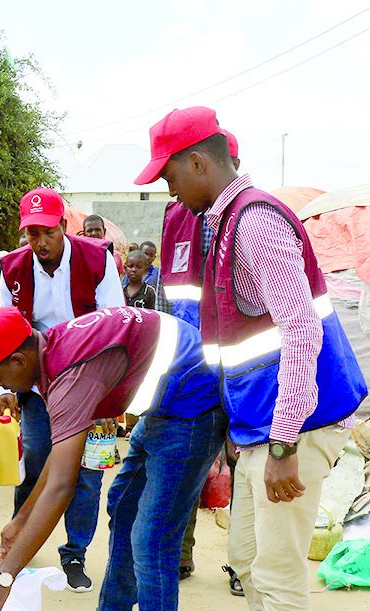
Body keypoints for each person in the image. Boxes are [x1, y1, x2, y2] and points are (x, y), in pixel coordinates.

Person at [135, 105, 367, 611]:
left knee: (279, 568)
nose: (166, 188)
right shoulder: (222, 222)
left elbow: (298, 333)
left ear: (199, 163)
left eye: (169, 174)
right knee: (246, 557)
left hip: (297, 425)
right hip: (262, 425)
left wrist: (286, 443)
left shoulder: (256, 224)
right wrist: (246, 438)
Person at [0, 306, 224, 611]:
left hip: (194, 407)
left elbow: (62, 486)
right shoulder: (53, 354)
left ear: (18, 359)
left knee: (152, 540)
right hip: (167, 404)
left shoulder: (72, 373)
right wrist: (20, 519)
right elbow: (57, 460)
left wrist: (4, 579)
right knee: (123, 503)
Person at [0, 188, 126, 592]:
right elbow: (4, 331)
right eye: (32, 233)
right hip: (39, 386)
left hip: (92, 384)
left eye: (47, 232)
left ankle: (74, 554)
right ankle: (18, 542)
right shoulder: (13, 268)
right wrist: (6, 388)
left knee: (86, 472)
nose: (40, 242)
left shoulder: (96, 258)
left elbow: (114, 322)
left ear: (63, 227)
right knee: (36, 459)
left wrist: (111, 396)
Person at [157, 128, 240, 582]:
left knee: (241, 464)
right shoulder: (177, 216)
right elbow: (170, 299)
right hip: (191, 364)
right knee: (186, 463)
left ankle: (242, 563)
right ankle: (181, 554)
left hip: (241, 366)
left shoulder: (245, 218)